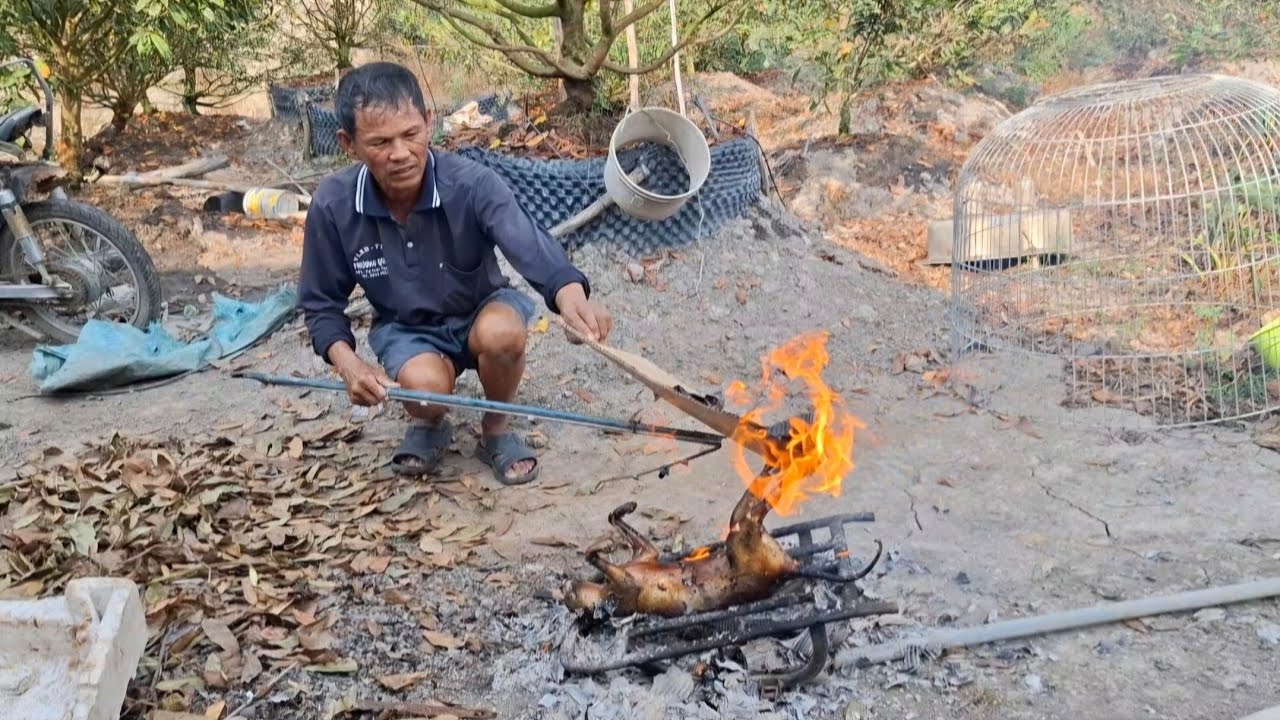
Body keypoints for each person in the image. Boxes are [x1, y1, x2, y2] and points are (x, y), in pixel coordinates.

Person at [297, 61, 613, 486]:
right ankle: (430, 423)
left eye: (411, 134)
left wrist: (571, 295)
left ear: (429, 123)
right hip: (408, 329)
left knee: (504, 333)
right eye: (380, 142)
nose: (400, 153)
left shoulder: (473, 184)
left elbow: (530, 246)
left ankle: (496, 429)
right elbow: (320, 304)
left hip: (480, 310)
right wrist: (349, 365)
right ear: (348, 143)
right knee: (423, 391)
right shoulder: (334, 206)